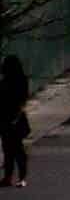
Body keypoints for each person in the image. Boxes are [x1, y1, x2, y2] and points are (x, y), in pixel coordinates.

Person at [0, 55, 27, 191]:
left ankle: (16, 177)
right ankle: (12, 177)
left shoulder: (10, 81)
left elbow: (22, 102)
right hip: (10, 119)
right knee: (10, 149)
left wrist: (15, 119)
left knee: (14, 150)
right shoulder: (20, 80)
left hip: (12, 119)